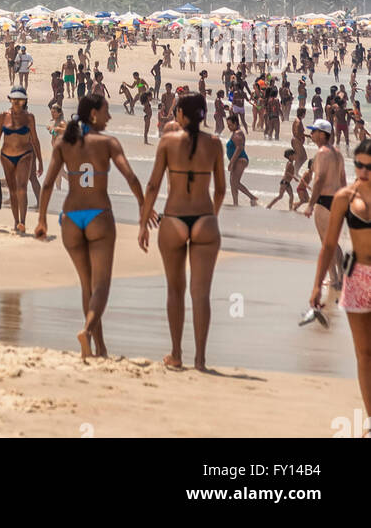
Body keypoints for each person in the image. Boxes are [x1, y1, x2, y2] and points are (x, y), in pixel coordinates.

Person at [35, 93, 149, 358]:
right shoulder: (107, 142)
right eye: (106, 111)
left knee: (87, 286)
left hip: (71, 219)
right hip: (99, 216)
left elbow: (49, 183)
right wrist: (144, 208)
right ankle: (86, 332)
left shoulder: (65, 142)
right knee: (101, 286)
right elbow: (131, 178)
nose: (109, 117)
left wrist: (41, 219)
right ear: (94, 114)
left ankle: (100, 348)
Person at [139, 93, 226, 371]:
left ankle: (176, 355)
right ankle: (200, 360)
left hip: (174, 218)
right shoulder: (214, 144)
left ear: (181, 115)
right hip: (204, 218)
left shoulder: (167, 141)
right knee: (201, 294)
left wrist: (143, 222)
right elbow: (221, 189)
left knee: (175, 290)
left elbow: (152, 185)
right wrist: (211, 215)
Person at [310, 139, 371, 435]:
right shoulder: (345, 197)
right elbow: (329, 244)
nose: (363, 171)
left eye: (369, 166)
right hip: (357, 277)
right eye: (359, 164)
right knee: (364, 353)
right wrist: (317, 287)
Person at [0, 87, 43, 235]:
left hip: (25, 155)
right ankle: (16, 221)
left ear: (24, 100)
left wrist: (41, 162)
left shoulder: (29, 117)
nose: (17, 102)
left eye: (20, 99)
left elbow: (35, 141)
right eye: (14, 99)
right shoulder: (3, 116)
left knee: (22, 188)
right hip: (6, 156)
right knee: (12, 190)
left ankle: (23, 222)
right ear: (10, 99)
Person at [304, 119, 347, 291]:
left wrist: (310, 204)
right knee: (334, 242)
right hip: (338, 200)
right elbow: (343, 179)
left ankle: (333, 278)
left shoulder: (322, 152)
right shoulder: (338, 153)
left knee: (326, 243)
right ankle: (342, 277)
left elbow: (320, 179)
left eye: (314, 131)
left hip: (324, 201)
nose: (312, 134)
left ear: (322, 134)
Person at [225, 114, 257, 206]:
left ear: (235, 123)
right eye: (228, 125)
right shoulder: (235, 133)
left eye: (230, 125)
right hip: (237, 160)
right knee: (232, 182)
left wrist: (231, 163)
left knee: (235, 182)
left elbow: (239, 148)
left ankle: (252, 197)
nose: (229, 127)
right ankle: (235, 203)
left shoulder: (238, 133)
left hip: (240, 160)